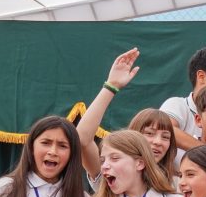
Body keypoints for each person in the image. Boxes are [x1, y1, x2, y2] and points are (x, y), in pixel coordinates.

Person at [76, 48, 178, 183]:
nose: (158, 142)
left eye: (165, 137)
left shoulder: (178, 184)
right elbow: (82, 140)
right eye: (149, 133)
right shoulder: (112, 176)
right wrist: (111, 86)